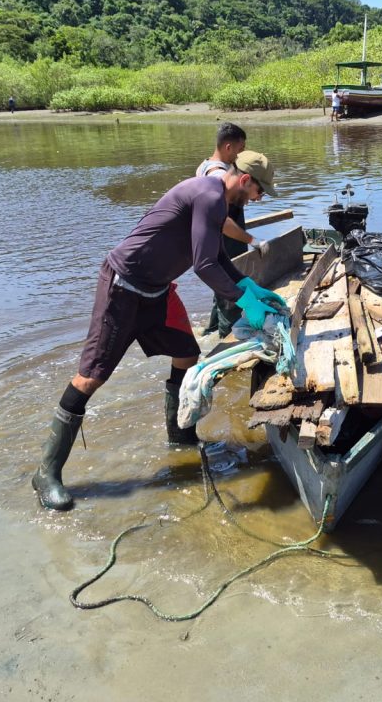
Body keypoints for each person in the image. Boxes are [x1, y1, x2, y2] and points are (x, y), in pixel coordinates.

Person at [31, 151, 284, 511]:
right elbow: (204, 264)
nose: (259, 199)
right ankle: (47, 473)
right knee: (91, 378)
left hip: (156, 290)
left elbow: (218, 257)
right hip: (124, 287)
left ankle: (180, 437)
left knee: (186, 353)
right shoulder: (209, 195)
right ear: (245, 180)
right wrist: (244, 302)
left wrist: (249, 286)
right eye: (260, 191)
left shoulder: (216, 199)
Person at [197, 123, 270, 337]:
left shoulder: (205, 166)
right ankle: (225, 336)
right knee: (228, 294)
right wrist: (252, 240)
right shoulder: (219, 179)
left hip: (216, 245)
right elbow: (224, 221)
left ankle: (210, 332)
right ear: (228, 147)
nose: (241, 154)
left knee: (221, 287)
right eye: (240, 148)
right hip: (224, 241)